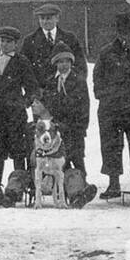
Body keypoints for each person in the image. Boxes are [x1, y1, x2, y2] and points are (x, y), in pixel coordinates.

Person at [93, 13, 130, 201]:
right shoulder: (106, 52)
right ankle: (114, 184)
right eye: (123, 33)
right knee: (111, 147)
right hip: (111, 110)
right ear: (118, 33)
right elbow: (98, 78)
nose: (127, 37)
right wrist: (107, 96)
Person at [0, 25, 38, 192]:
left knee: (18, 152)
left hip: (14, 117)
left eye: (8, 42)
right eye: (2, 40)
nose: (4, 44)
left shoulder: (22, 61)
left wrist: (21, 103)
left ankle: (16, 188)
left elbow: (32, 89)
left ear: (15, 44)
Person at [41, 43, 89, 173]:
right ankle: (66, 188)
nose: (63, 65)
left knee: (77, 158)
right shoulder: (51, 81)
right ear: (55, 63)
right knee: (61, 160)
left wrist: (81, 126)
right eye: (60, 62)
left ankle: (82, 184)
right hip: (57, 129)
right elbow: (48, 103)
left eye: (66, 61)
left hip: (74, 128)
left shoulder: (78, 80)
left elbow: (84, 105)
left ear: (71, 62)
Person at [21, 2, 87, 85]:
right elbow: (24, 69)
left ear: (57, 18)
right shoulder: (29, 41)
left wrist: (73, 84)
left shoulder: (70, 38)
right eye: (42, 18)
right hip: (41, 92)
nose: (45, 21)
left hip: (66, 90)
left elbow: (80, 65)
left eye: (48, 18)